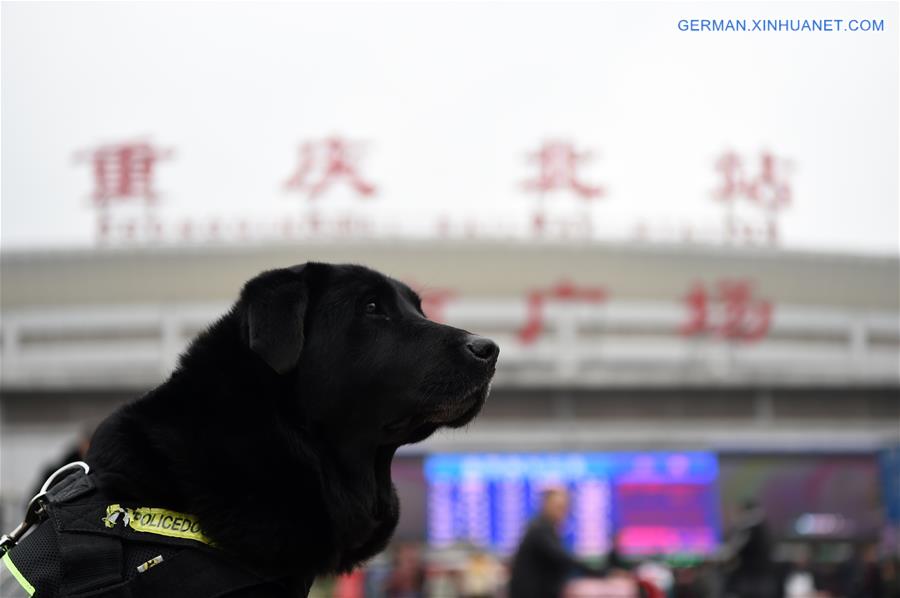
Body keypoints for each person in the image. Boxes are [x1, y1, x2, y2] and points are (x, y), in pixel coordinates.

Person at [508, 488, 602, 598]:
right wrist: (595, 572)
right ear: (545, 505)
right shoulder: (540, 528)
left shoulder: (547, 527)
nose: (562, 512)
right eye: (558, 507)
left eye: (564, 508)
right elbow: (561, 557)